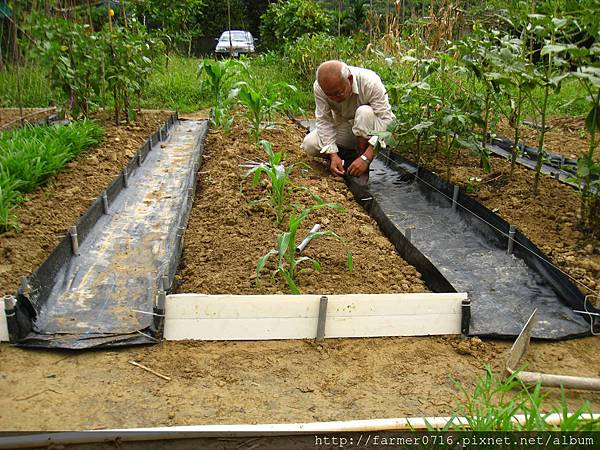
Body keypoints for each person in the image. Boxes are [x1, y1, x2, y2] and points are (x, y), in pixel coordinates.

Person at [301, 60, 395, 182]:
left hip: (370, 127)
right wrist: (333, 154)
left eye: (338, 93)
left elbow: (386, 120)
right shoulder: (320, 87)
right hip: (345, 125)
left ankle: (362, 161)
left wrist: (366, 157)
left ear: (349, 79)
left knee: (364, 112)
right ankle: (346, 159)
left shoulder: (370, 82)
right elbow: (324, 121)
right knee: (310, 144)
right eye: (330, 95)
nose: (334, 98)